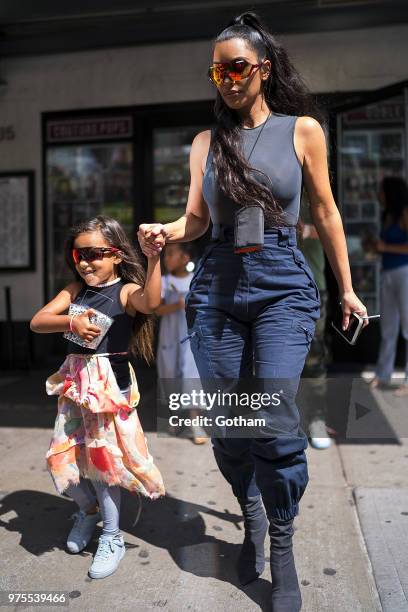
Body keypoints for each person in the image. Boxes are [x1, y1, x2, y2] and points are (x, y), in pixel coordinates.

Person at [137, 12, 368, 611]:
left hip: (282, 285)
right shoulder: (205, 144)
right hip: (215, 287)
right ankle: (252, 513)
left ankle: (283, 544)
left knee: (273, 413)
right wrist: (165, 230)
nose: (226, 79)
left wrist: (346, 287)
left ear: (262, 69)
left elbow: (326, 211)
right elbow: (198, 220)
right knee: (231, 427)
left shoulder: (303, 130)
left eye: (236, 67)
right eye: (217, 69)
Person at [30, 215, 165, 580]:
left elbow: (150, 301)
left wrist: (153, 259)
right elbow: (38, 321)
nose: (86, 262)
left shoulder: (123, 292)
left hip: (109, 388)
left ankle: (112, 535)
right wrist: (69, 322)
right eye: (79, 255)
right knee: (62, 458)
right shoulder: (74, 291)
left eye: (95, 253)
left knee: (103, 466)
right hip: (75, 386)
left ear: (117, 255)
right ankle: (88, 511)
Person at [155, 242, 208, 444]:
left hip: (191, 335)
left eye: (170, 254)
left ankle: (195, 422)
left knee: (191, 374)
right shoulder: (164, 281)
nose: (166, 258)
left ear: (185, 258)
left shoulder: (195, 280)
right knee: (169, 372)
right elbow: (157, 309)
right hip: (169, 335)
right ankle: (175, 416)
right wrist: (177, 304)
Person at [365, 176, 408, 396]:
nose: (378, 195)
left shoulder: (404, 213)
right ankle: (383, 373)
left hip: (404, 272)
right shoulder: (387, 215)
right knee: (388, 327)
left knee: (407, 327)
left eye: (382, 191)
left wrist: (385, 246)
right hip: (388, 273)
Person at [298, 196, 332, 450]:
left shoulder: (314, 194)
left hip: (313, 288)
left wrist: (308, 230)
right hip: (276, 288)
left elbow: (333, 225)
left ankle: (316, 417)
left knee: (314, 356)